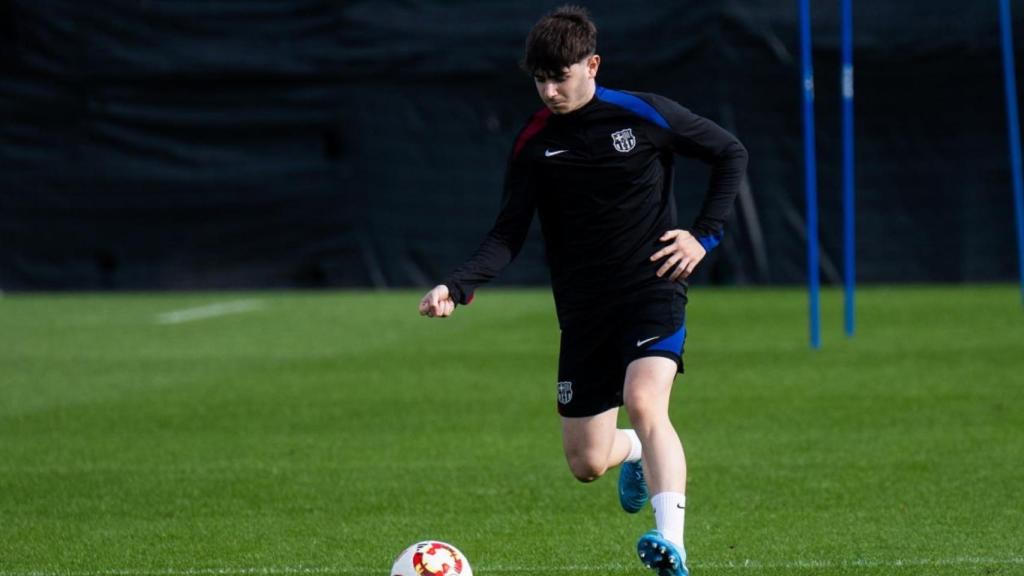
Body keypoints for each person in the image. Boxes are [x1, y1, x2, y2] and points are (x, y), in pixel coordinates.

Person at [417, 5, 747, 576]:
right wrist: (457, 284)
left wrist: (704, 236)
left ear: (591, 64)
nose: (548, 90)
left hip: (652, 286)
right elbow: (507, 233)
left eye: (560, 76)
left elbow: (729, 153)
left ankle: (673, 546)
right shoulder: (533, 143)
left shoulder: (642, 114)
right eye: (539, 79)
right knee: (587, 461)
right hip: (584, 310)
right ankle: (637, 451)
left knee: (646, 402)